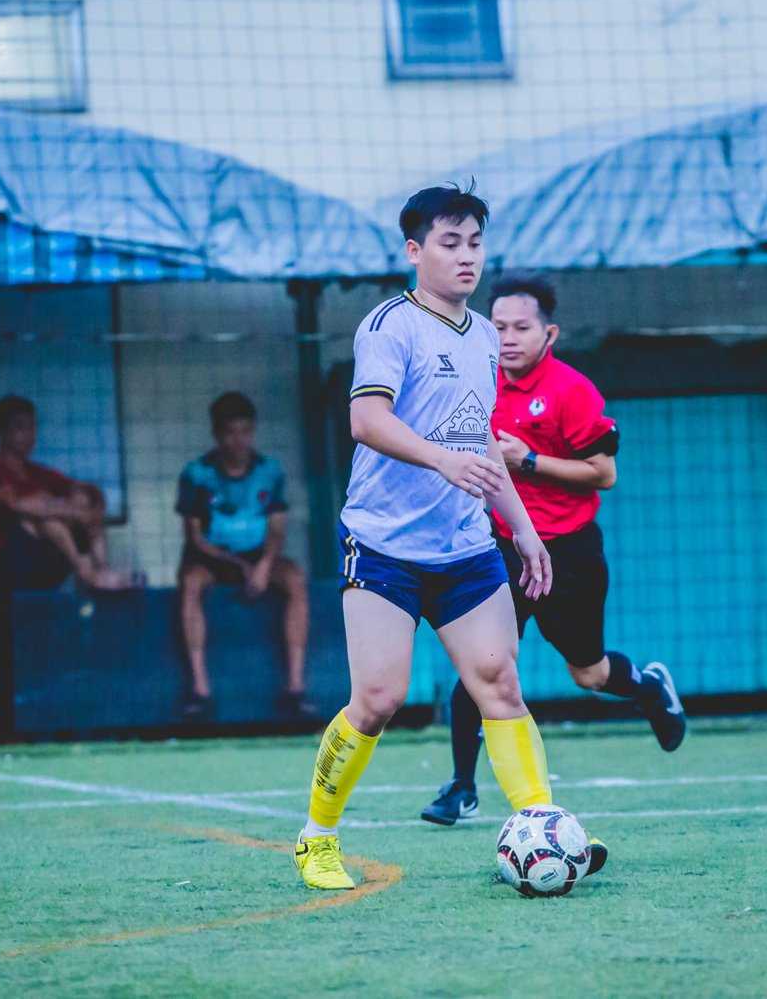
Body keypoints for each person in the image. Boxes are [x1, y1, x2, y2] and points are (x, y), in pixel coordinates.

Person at [292, 184, 606, 891]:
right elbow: (367, 421)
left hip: (465, 546)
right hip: (384, 547)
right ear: (415, 251)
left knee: (500, 681)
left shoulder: (485, 337)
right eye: (449, 243)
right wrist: (441, 459)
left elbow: (481, 441)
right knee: (378, 698)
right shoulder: (388, 327)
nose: (467, 257)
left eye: (475, 244)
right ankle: (317, 838)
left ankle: (542, 827)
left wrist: (523, 529)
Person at [421, 274, 687, 826]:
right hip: (498, 548)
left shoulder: (572, 391)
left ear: (549, 333)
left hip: (569, 552)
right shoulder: (475, 382)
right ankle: (462, 787)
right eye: (498, 327)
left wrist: (528, 461)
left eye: (521, 327)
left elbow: (603, 474)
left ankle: (648, 688)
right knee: (483, 664)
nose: (508, 338)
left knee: (588, 673)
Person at [175, 392, 312, 720]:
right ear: (217, 434)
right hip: (214, 559)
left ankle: (294, 689)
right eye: (231, 433)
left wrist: (263, 565)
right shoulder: (197, 474)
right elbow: (194, 537)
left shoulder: (269, 471)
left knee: (295, 576)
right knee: (189, 581)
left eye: (246, 432)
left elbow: (277, 530)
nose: (239, 441)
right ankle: (200, 690)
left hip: (259, 556)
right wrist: (238, 565)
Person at [0, 395, 132, 594]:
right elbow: (18, 504)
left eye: (32, 426)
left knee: (83, 499)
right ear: (0, 433)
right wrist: (73, 512)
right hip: (5, 567)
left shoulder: (36, 472)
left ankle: (101, 571)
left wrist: (92, 505)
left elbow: (88, 492)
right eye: (20, 428)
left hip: (41, 559)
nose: (29, 435)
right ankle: (86, 574)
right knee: (45, 514)